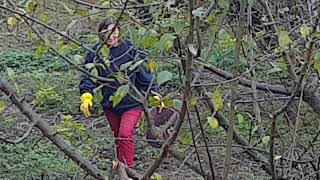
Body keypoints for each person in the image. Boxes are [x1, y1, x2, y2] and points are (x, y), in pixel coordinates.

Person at [79, 16, 157, 168]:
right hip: (110, 104)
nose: (111, 35)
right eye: (106, 32)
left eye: (113, 31)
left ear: (119, 31)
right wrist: (86, 95)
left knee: (125, 134)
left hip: (132, 103)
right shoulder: (96, 53)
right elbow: (88, 76)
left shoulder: (131, 50)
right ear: (100, 34)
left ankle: (128, 170)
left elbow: (144, 76)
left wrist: (154, 94)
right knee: (119, 137)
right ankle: (120, 168)